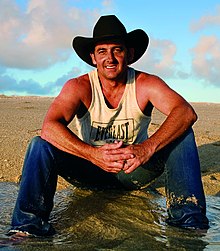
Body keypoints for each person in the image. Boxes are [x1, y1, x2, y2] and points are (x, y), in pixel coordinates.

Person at [8, 15, 209, 237]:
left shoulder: (145, 83)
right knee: (39, 144)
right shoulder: (79, 86)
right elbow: (49, 127)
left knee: (182, 133)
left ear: (130, 54)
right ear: (93, 57)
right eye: (102, 51)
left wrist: (146, 148)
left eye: (117, 50)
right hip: (90, 170)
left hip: (134, 171)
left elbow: (185, 112)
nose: (110, 58)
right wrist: (93, 154)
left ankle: (189, 223)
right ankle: (27, 227)